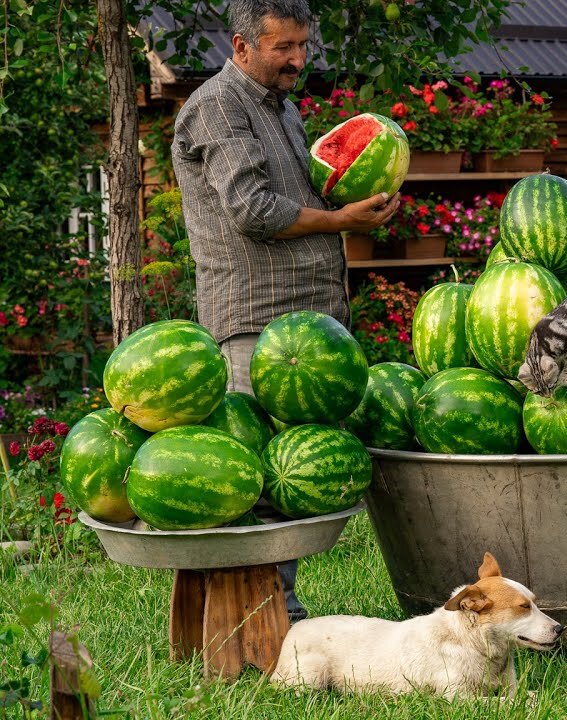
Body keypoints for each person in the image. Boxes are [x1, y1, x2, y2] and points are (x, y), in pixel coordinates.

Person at [172, 0, 399, 621]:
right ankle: (268, 619)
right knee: (257, 477)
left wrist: (361, 207)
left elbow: (300, 200)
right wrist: (339, 222)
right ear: (242, 46)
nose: (299, 60)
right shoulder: (220, 105)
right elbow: (252, 209)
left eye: (303, 45)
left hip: (304, 321)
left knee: (288, 471)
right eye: (283, 48)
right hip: (254, 320)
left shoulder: (284, 109)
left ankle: (275, 608)